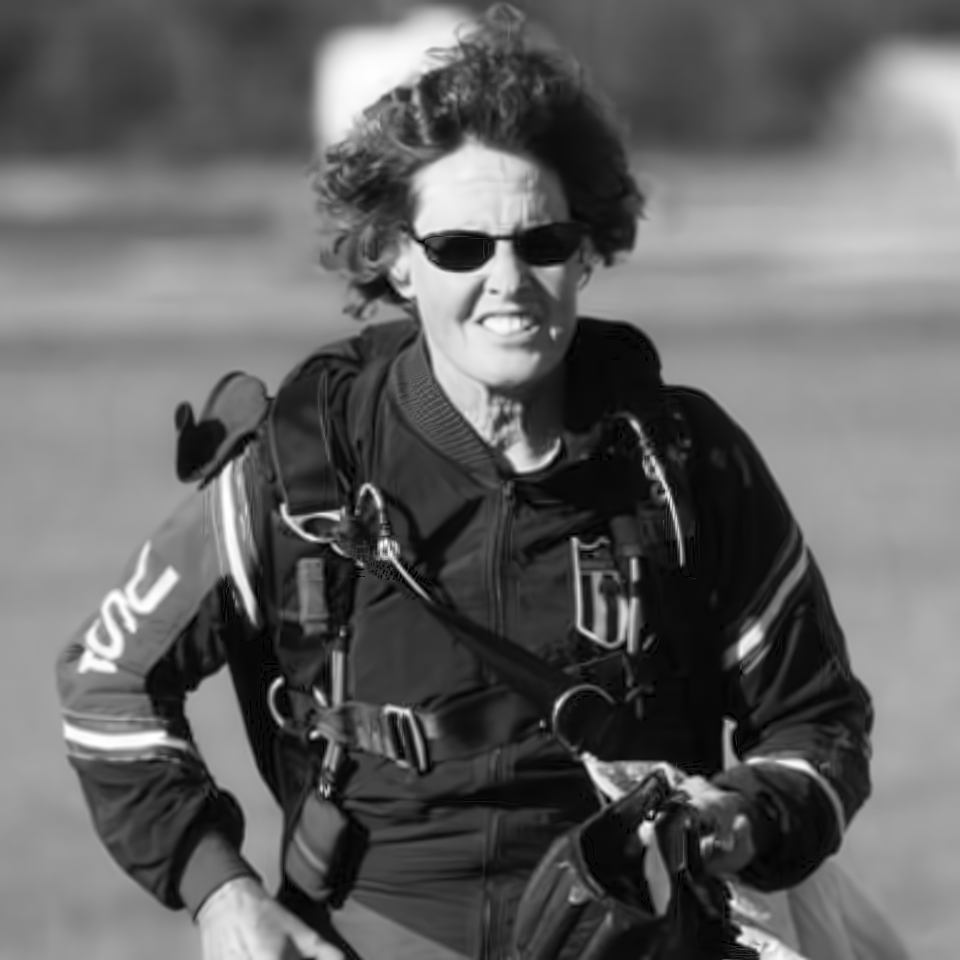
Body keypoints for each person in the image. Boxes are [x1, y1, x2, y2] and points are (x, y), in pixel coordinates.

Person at [55, 5, 876, 959]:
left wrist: (744, 814)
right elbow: (107, 681)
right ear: (399, 259)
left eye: (543, 244)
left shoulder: (685, 462)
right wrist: (219, 893)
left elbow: (819, 725)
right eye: (460, 249)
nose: (508, 280)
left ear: (589, 252)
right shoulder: (299, 465)